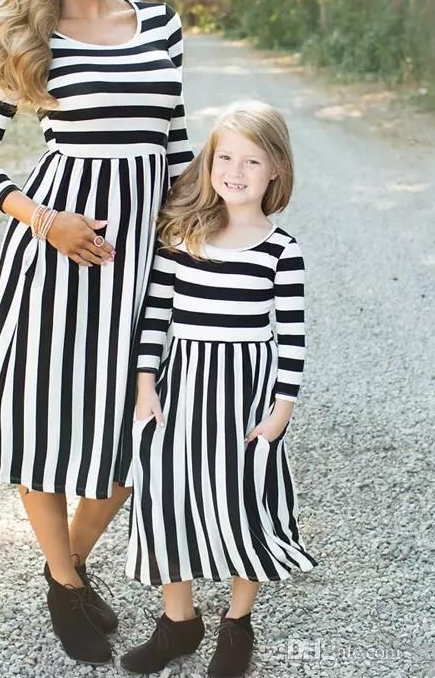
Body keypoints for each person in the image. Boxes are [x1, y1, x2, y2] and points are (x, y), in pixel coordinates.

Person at [0, 0, 194, 666]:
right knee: (46, 432)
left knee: (138, 439)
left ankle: (67, 569)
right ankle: (64, 582)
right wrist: (46, 221)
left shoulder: (159, 22)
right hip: (56, 262)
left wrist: (212, 239)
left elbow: (179, 146)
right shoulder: (28, 33)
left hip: (145, 264)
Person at [122, 101, 318, 677]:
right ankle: (179, 622)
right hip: (181, 386)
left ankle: (237, 624)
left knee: (241, 502)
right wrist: (144, 382)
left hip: (246, 394)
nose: (236, 171)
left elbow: (292, 337)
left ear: (276, 169)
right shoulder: (183, 236)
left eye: (252, 161)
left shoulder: (282, 251)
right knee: (166, 495)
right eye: (225, 157)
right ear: (209, 163)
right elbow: (156, 315)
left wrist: (281, 408)